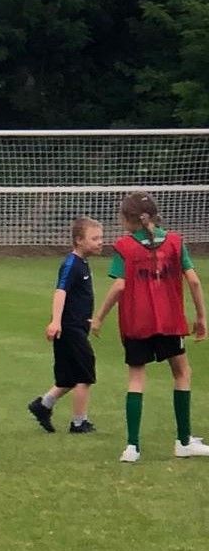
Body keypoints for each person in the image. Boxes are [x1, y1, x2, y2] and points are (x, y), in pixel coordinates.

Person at [90, 191, 209, 463]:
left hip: (137, 323)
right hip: (169, 322)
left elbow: (119, 285)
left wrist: (99, 317)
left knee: (136, 379)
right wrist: (201, 317)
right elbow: (193, 281)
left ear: (127, 219)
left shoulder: (125, 247)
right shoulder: (175, 243)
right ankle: (183, 440)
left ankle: (132, 447)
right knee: (182, 373)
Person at [28, 218, 104, 434]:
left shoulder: (82, 263)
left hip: (77, 326)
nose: (100, 242)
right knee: (85, 374)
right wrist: (56, 321)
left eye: (100, 237)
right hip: (69, 328)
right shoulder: (71, 264)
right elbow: (61, 291)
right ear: (79, 240)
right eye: (95, 238)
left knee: (69, 376)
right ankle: (79, 422)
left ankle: (43, 405)